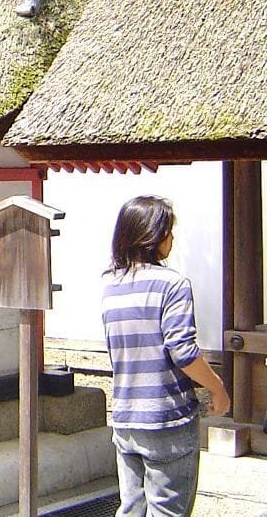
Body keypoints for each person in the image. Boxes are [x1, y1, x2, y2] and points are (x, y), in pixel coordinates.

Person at [102, 195, 230, 517]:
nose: (172, 239)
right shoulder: (172, 285)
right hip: (166, 420)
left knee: (131, 509)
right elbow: (183, 351)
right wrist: (218, 388)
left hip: (125, 419)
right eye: (168, 232)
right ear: (153, 237)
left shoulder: (111, 286)